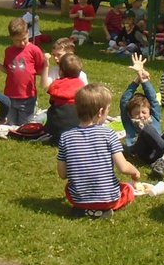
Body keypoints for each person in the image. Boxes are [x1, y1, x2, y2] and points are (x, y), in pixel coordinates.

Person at [56, 84, 140, 218]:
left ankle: (86, 209)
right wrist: (135, 172)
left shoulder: (66, 137)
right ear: (100, 112)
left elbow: (62, 174)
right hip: (107, 199)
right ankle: (102, 210)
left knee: (69, 187)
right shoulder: (109, 134)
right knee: (126, 190)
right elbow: (123, 167)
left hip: (78, 199)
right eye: (108, 110)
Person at [123, 53, 164, 177]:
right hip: (141, 151)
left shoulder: (154, 117)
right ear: (129, 114)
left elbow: (152, 98)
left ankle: (163, 161)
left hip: (158, 149)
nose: (141, 116)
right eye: (136, 113)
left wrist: (144, 78)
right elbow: (124, 101)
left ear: (150, 112)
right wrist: (138, 78)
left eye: (144, 112)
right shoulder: (129, 121)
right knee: (147, 129)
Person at [0, 17, 46, 125]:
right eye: (18, 41)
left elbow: (41, 69)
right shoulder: (9, 51)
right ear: (11, 38)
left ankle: (43, 116)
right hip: (10, 95)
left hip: (27, 96)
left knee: (25, 126)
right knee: (11, 125)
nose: (22, 43)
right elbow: (8, 70)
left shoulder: (34, 50)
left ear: (28, 32)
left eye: (24, 39)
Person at [44, 52, 86, 143]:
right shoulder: (81, 85)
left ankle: (54, 136)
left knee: (52, 111)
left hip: (57, 125)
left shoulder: (56, 84)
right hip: (77, 126)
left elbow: (52, 101)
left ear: (61, 71)